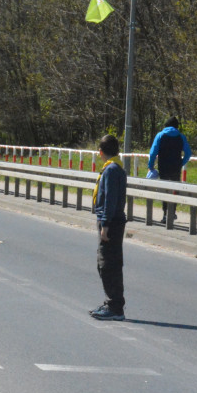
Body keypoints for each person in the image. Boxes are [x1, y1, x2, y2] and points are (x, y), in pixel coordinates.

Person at [90, 134, 127, 322]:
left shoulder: (111, 170)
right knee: (108, 264)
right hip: (113, 221)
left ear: (101, 152)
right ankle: (111, 303)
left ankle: (114, 307)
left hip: (111, 223)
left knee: (107, 265)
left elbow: (110, 200)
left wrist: (105, 225)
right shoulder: (116, 167)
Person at [147, 116, 192, 223]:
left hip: (163, 166)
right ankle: (172, 212)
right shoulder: (181, 137)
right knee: (174, 190)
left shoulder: (160, 135)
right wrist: (182, 162)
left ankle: (165, 214)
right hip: (176, 167)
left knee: (165, 190)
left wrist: (151, 165)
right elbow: (188, 153)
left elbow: (153, 153)